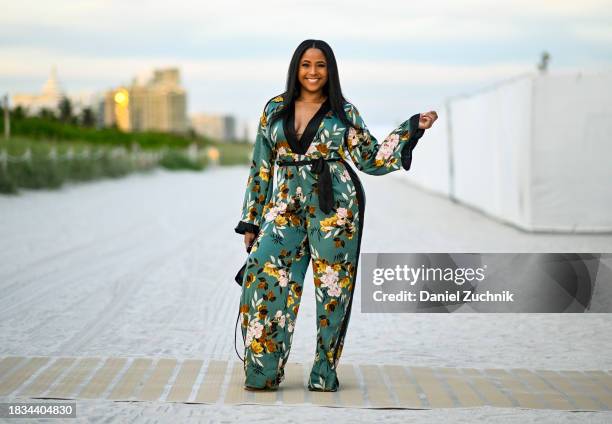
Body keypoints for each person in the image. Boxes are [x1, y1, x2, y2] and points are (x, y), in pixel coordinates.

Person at [234, 39, 438, 392]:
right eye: (306, 65)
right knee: (261, 276)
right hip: (283, 209)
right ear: (296, 68)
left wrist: (412, 128)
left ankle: (323, 371)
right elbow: (261, 167)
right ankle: (263, 370)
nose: (313, 72)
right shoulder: (275, 109)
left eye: (321, 65)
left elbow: (371, 158)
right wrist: (252, 220)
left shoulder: (343, 112)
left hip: (336, 211)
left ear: (330, 71)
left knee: (333, 291)